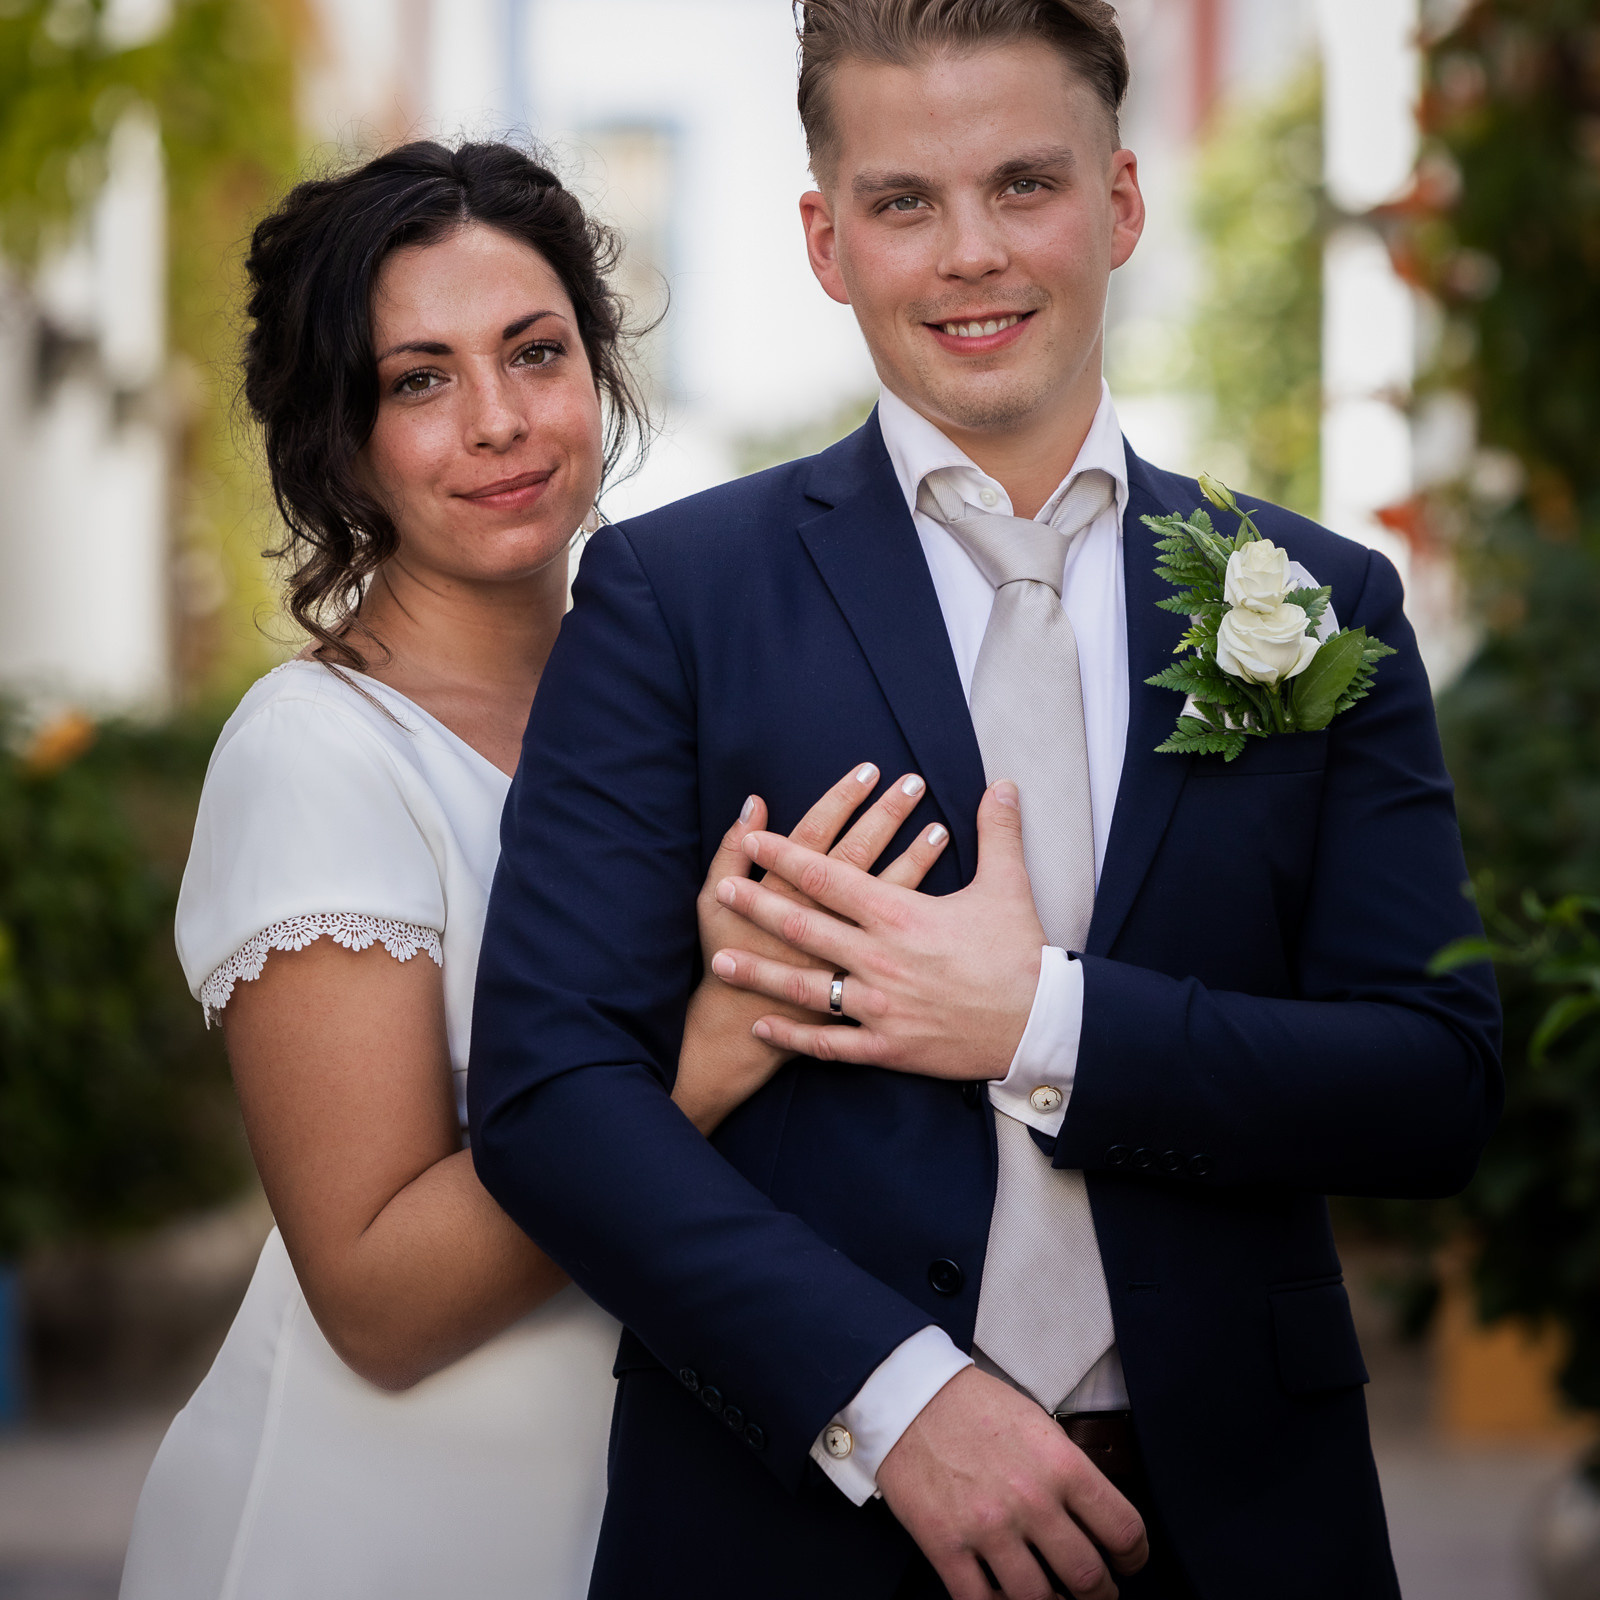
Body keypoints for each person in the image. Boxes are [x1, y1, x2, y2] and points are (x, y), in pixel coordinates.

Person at [468, 4, 1503, 1599]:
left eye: (1025, 183)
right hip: (800, 1520)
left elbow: (1435, 1085)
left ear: (1121, 201)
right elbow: (551, 1097)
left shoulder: (1319, 599)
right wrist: (893, 1400)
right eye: (903, 201)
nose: (971, 254)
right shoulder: (675, 597)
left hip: (1237, 1524)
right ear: (826, 240)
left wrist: (1039, 1021)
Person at [118, 139, 948, 1600]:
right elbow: (376, 1298)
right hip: (387, 1528)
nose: (498, 421)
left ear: (598, 370)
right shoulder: (321, 755)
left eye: (535, 352)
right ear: (340, 436)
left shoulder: (684, 705)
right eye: (418, 380)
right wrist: (693, 1066)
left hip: (664, 1515)